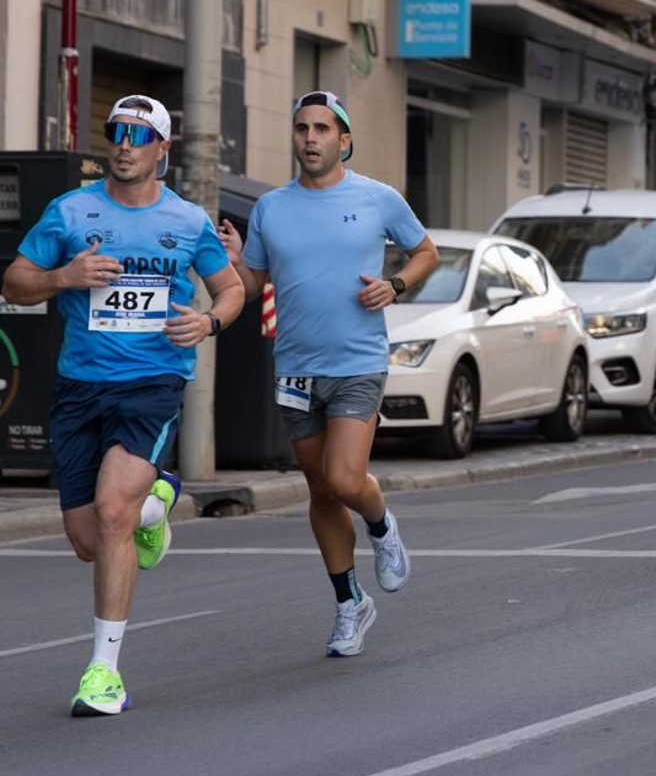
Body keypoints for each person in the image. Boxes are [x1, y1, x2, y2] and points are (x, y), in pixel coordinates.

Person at [1, 96, 244, 716]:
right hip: (79, 388)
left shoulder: (188, 221)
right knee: (87, 538)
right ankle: (155, 503)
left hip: (152, 383)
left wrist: (210, 322)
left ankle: (102, 673)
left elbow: (232, 287)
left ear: (164, 149)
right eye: (117, 132)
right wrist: (64, 278)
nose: (125, 144)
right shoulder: (71, 212)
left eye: (140, 135)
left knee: (111, 512)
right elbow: (14, 281)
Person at [219, 91, 439, 657]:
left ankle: (384, 526)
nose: (310, 139)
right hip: (295, 368)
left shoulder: (377, 198)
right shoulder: (271, 207)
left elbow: (426, 253)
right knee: (319, 490)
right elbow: (250, 290)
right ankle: (350, 604)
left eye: (322, 129)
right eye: (301, 129)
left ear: (344, 140)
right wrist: (234, 261)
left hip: (357, 362)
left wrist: (395, 286)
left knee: (344, 480)